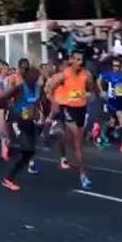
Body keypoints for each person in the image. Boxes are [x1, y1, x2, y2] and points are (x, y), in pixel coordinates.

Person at [47, 51, 95, 189]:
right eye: (78, 59)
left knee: (69, 137)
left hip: (81, 109)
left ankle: (61, 149)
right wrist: (54, 101)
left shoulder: (87, 75)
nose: (80, 62)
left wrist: (89, 95)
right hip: (68, 108)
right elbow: (50, 86)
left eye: (82, 59)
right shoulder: (65, 74)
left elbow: (91, 89)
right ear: (72, 61)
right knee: (77, 141)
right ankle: (83, 175)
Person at [0, 66, 42, 191]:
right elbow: (3, 97)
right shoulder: (20, 88)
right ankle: (8, 178)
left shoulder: (38, 89)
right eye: (35, 77)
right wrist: (11, 107)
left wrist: (38, 114)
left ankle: (11, 149)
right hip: (18, 120)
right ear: (29, 78)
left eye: (38, 78)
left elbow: (37, 103)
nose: (37, 79)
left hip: (29, 121)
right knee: (25, 150)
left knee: (30, 152)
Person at [97, 56, 122, 152]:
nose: (115, 68)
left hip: (121, 100)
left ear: (121, 66)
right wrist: (102, 91)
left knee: (113, 121)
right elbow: (99, 79)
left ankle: (101, 133)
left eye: (117, 66)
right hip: (112, 100)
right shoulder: (109, 75)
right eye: (113, 66)